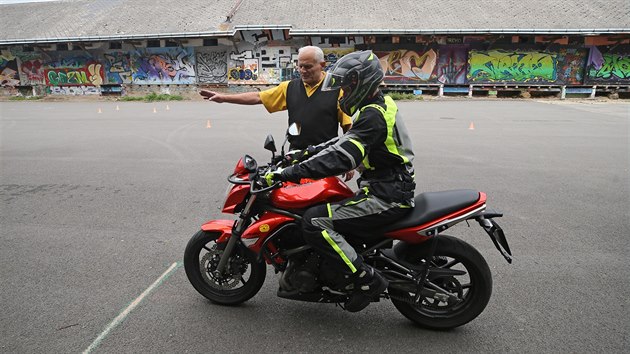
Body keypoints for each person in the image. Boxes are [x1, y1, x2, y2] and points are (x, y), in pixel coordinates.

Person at [266, 50, 416, 312]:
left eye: (346, 89)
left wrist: (288, 173)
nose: (343, 94)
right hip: (387, 187)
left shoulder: (373, 116)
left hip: (387, 196)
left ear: (362, 84)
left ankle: (366, 280)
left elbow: (340, 158)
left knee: (314, 221)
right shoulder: (376, 105)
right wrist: (300, 155)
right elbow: (339, 142)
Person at [199, 46, 352, 151]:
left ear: (322, 65)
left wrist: (347, 157)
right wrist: (224, 97)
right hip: (296, 155)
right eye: (300, 66)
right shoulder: (289, 87)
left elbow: (348, 126)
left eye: (308, 67)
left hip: (326, 156)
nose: (303, 71)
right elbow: (258, 97)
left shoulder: (336, 89)